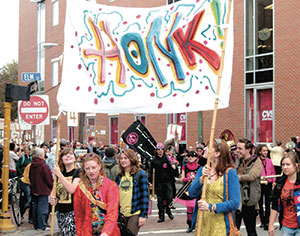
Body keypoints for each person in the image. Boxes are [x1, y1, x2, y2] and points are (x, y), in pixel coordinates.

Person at [188, 139, 240, 235]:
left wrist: (211, 207)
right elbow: (191, 193)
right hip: (202, 223)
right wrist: (201, 179)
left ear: (217, 153)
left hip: (220, 224)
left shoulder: (230, 173)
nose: (204, 148)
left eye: (208, 147)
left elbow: (235, 202)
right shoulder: (202, 170)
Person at [74, 153, 120, 236]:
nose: (91, 171)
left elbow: (112, 212)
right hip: (87, 232)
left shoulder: (111, 185)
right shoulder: (80, 188)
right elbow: (78, 216)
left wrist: (106, 232)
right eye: (87, 168)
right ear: (84, 169)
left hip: (108, 232)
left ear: (99, 166)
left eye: (93, 167)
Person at [115, 149, 149, 235]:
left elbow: (145, 197)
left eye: (125, 158)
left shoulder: (141, 174)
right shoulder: (119, 176)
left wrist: (143, 215)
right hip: (121, 213)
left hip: (135, 212)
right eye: (121, 158)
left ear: (131, 159)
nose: (123, 160)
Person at [50, 147, 80, 236]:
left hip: (73, 213)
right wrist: (53, 198)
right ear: (61, 159)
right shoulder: (60, 174)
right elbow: (53, 192)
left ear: (75, 158)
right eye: (65, 155)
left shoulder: (78, 172)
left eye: (70, 154)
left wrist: (59, 174)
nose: (68, 156)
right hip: (61, 212)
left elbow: (72, 189)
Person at [269, 151, 300, 236]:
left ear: (296, 165)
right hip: (286, 226)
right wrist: (271, 225)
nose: (285, 167)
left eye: (288, 164)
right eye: (283, 164)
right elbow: (274, 206)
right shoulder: (280, 184)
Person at [235, 138, 262, 236]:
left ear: (248, 149)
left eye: (240, 148)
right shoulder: (237, 161)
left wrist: (238, 177)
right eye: (237, 148)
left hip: (249, 201)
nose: (237, 151)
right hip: (237, 200)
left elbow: (252, 176)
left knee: (251, 231)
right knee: (234, 230)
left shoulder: (257, 162)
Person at [149, 143, 179, 223]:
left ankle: (168, 211)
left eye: (162, 150)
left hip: (168, 182)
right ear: (156, 150)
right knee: (160, 200)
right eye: (159, 150)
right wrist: (151, 183)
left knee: (169, 198)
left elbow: (174, 168)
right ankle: (161, 216)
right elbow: (151, 172)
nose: (160, 151)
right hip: (159, 183)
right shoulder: (153, 160)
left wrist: (174, 168)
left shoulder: (167, 158)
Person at [29, 147, 53, 231]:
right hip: (43, 189)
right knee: (43, 209)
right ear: (41, 155)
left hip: (35, 189)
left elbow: (30, 176)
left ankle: (36, 224)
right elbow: (48, 179)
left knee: (35, 207)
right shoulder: (43, 166)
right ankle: (42, 225)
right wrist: (52, 186)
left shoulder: (32, 165)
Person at [180, 151, 200, 233]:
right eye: (189, 156)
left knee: (196, 207)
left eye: (192, 156)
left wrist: (195, 179)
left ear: (196, 158)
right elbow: (182, 179)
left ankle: (197, 224)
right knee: (189, 209)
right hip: (187, 189)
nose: (190, 158)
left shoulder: (199, 167)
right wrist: (189, 179)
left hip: (196, 189)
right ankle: (190, 225)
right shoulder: (185, 166)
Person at [258, 144, 276, 231]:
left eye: (266, 151)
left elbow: (273, 171)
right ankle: (262, 220)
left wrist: (273, 180)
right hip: (260, 184)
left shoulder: (269, 161)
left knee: (268, 203)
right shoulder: (257, 161)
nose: (265, 152)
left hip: (268, 184)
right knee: (260, 203)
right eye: (264, 150)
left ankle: (267, 221)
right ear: (260, 151)